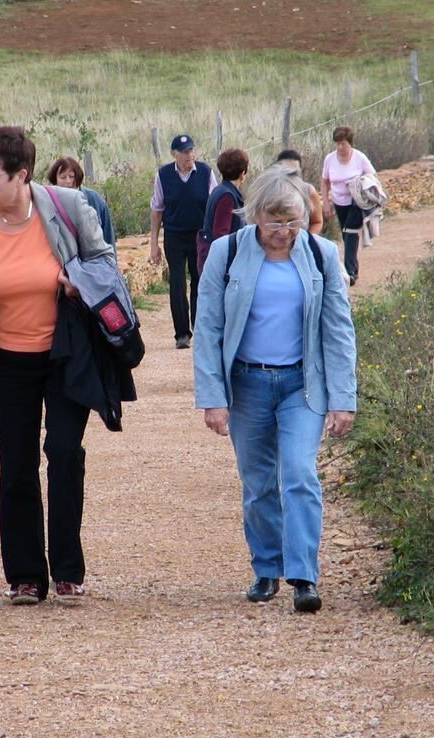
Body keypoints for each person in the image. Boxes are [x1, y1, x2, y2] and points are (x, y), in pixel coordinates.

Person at [0, 126, 116, 606]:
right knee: (16, 464)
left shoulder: (68, 208)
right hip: (6, 358)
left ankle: (67, 570)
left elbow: (105, 264)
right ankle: (25, 576)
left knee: (64, 450)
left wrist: (79, 282)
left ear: (22, 177)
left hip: (64, 353)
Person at [193, 166, 357, 614]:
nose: (284, 232)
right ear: (255, 217)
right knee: (259, 481)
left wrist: (343, 399)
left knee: (301, 475)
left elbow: (339, 331)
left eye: (293, 221)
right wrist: (213, 398)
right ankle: (267, 569)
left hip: (301, 386)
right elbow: (207, 328)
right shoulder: (226, 255)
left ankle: (304, 576)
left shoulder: (322, 255)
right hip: (246, 384)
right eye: (275, 221)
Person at [149, 133, 218, 349]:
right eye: (185, 152)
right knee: (177, 283)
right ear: (174, 155)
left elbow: (215, 203)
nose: (190, 155)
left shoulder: (206, 172)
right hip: (175, 235)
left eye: (192, 150)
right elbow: (157, 209)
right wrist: (154, 243)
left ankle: (200, 327)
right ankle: (181, 333)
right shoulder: (164, 175)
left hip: (200, 236)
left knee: (200, 280)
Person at [320, 126, 376, 286]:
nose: (340, 147)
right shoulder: (329, 159)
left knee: (350, 231)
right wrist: (326, 202)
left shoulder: (359, 158)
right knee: (347, 235)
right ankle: (354, 269)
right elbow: (325, 182)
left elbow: (371, 175)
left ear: (350, 143)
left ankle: (349, 272)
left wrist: (360, 184)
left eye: (343, 143)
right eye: (337, 144)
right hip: (339, 201)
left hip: (357, 201)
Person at [46, 156, 117, 255]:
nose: (68, 181)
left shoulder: (95, 199)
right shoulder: (48, 202)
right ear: (55, 180)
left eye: (71, 176)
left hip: (93, 261)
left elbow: (108, 237)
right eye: (63, 177)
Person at [197, 148, 248, 274]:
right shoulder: (227, 197)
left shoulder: (220, 190)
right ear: (242, 173)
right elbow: (221, 235)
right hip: (220, 263)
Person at [275, 149, 324, 235]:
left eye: (294, 171)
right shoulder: (268, 192)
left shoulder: (308, 191)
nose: (290, 174)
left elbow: (317, 222)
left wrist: (307, 241)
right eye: (286, 170)